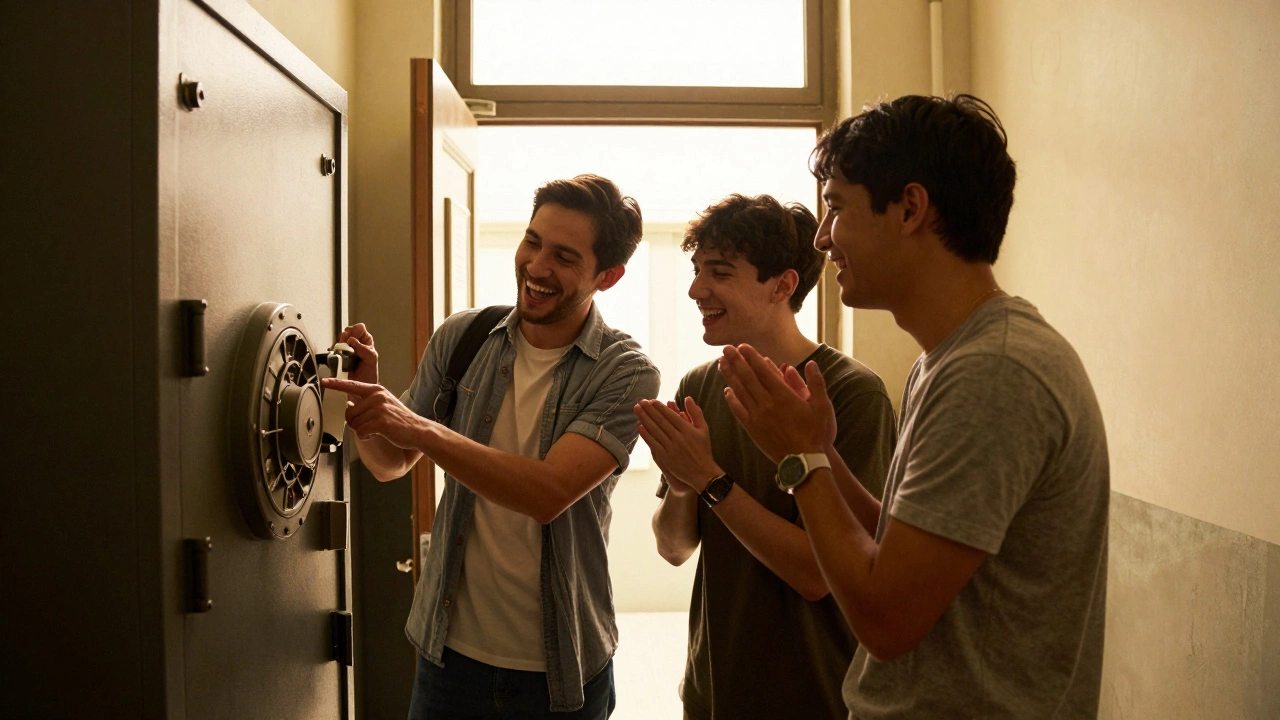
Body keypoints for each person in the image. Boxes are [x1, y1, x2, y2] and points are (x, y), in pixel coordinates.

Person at [717, 95, 1111, 719]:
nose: (822, 239)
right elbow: (896, 549)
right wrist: (820, 451)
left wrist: (801, 461)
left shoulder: (994, 371)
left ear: (909, 209)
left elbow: (887, 620)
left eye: (836, 208)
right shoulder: (949, 359)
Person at [321, 175, 660, 719]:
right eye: (533, 241)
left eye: (565, 257)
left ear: (609, 276)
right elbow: (388, 465)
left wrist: (420, 429)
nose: (537, 266)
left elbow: (547, 493)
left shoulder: (626, 374)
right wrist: (371, 412)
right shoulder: (464, 336)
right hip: (448, 661)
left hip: (562, 672)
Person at [634, 194, 896, 720]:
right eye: (696, 269)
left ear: (783, 286)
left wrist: (708, 477)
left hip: (815, 697)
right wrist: (683, 486)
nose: (696, 289)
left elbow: (816, 575)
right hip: (712, 694)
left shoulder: (849, 394)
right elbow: (674, 547)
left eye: (720, 272)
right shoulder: (700, 386)